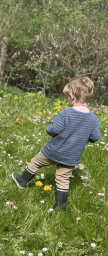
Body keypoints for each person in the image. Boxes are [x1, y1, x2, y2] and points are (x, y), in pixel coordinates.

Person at [11, 76, 101, 210]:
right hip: (71, 156)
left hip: (53, 151)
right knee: (63, 179)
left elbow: (55, 130)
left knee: (36, 162)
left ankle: (23, 181)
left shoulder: (65, 113)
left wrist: (48, 127)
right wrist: (86, 138)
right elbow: (95, 137)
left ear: (71, 96)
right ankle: (60, 206)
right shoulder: (93, 119)